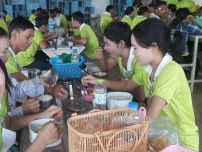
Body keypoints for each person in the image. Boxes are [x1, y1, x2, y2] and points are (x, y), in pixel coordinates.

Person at [82, 18, 199, 151]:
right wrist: (98, 82)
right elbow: (127, 85)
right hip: (162, 135)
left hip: (181, 142)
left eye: (136, 48)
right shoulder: (148, 69)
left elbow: (150, 116)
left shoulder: (171, 72)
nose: (133, 53)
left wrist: (121, 135)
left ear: (153, 47)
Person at [5, 17, 68, 98]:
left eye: (32, 37)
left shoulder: (13, 54)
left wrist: (40, 82)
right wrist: (48, 88)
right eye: (28, 37)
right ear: (14, 35)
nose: (31, 42)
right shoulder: (6, 55)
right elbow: (20, 80)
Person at [94, 22, 145, 102]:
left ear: (121, 44)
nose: (105, 48)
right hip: (131, 98)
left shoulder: (138, 60)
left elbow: (140, 95)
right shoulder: (119, 56)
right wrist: (101, 59)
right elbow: (105, 69)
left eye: (107, 44)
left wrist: (100, 82)